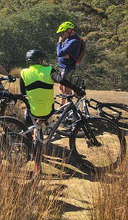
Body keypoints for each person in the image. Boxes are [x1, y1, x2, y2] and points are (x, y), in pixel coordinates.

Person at [20, 49, 85, 177]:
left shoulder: (23, 73)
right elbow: (61, 80)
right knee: (47, 117)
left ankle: (37, 139)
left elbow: (23, 91)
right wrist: (76, 89)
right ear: (40, 60)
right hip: (47, 110)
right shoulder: (48, 70)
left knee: (37, 123)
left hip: (33, 109)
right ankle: (38, 141)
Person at [56, 21, 82, 105]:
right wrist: (63, 49)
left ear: (69, 30)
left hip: (68, 66)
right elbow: (62, 52)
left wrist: (59, 43)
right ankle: (62, 106)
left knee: (66, 87)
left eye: (64, 32)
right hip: (62, 66)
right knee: (61, 86)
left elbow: (59, 53)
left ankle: (70, 107)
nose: (62, 34)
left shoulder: (74, 41)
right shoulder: (68, 39)